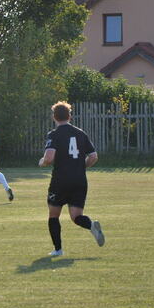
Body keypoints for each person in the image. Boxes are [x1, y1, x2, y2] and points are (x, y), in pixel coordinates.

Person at [39, 101, 104, 257]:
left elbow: (49, 158)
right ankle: (91, 225)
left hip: (60, 180)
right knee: (76, 217)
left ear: (54, 117)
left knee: (54, 215)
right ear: (70, 116)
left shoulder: (53, 134)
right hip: (79, 180)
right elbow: (94, 156)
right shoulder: (81, 133)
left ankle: (58, 250)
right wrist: (81, 168)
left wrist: (42, 162)